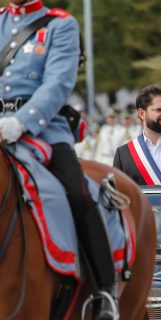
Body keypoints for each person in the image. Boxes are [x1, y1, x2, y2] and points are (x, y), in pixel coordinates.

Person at [0, 0, 117, 318]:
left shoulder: (60, 25)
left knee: (77, 191)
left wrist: (21, 121)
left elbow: (58, 83)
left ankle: (104, 290)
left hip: (42, 129)